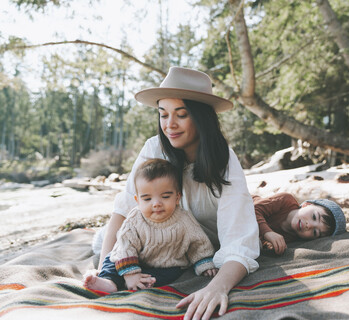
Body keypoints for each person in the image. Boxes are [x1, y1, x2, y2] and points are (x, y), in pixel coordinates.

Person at [95, 67, 260, 320]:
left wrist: (216, 287)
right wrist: (104, 270)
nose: (169, 125)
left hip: (197, 251)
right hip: (150, 240)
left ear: (201, 117)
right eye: (163, 115)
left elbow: (240, 239)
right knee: (105, 242)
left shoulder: (223, 160)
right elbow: (126, 208)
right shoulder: (154, 148)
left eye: (181, 115)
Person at [84, 158, 218, 293]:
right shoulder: (135, 218)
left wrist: (204, 262)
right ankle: (109, 281)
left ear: (177, 197)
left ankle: (140, 283)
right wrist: (130, 273)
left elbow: (198, 242)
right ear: (138, 200)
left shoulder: (184, 219)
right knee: (112, 259)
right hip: (132, 258)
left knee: (166, 276)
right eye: (147, 199)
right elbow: (125, 245)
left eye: (165, 196)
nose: (156, 203)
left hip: (166, 265)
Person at [253, 193, 346, 255]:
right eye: (314, 217)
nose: (309, 225)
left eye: (315, 232)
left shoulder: (292, 238)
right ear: (307, 204)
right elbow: (251, 209)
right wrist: (267, 232)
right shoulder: (286, 200)